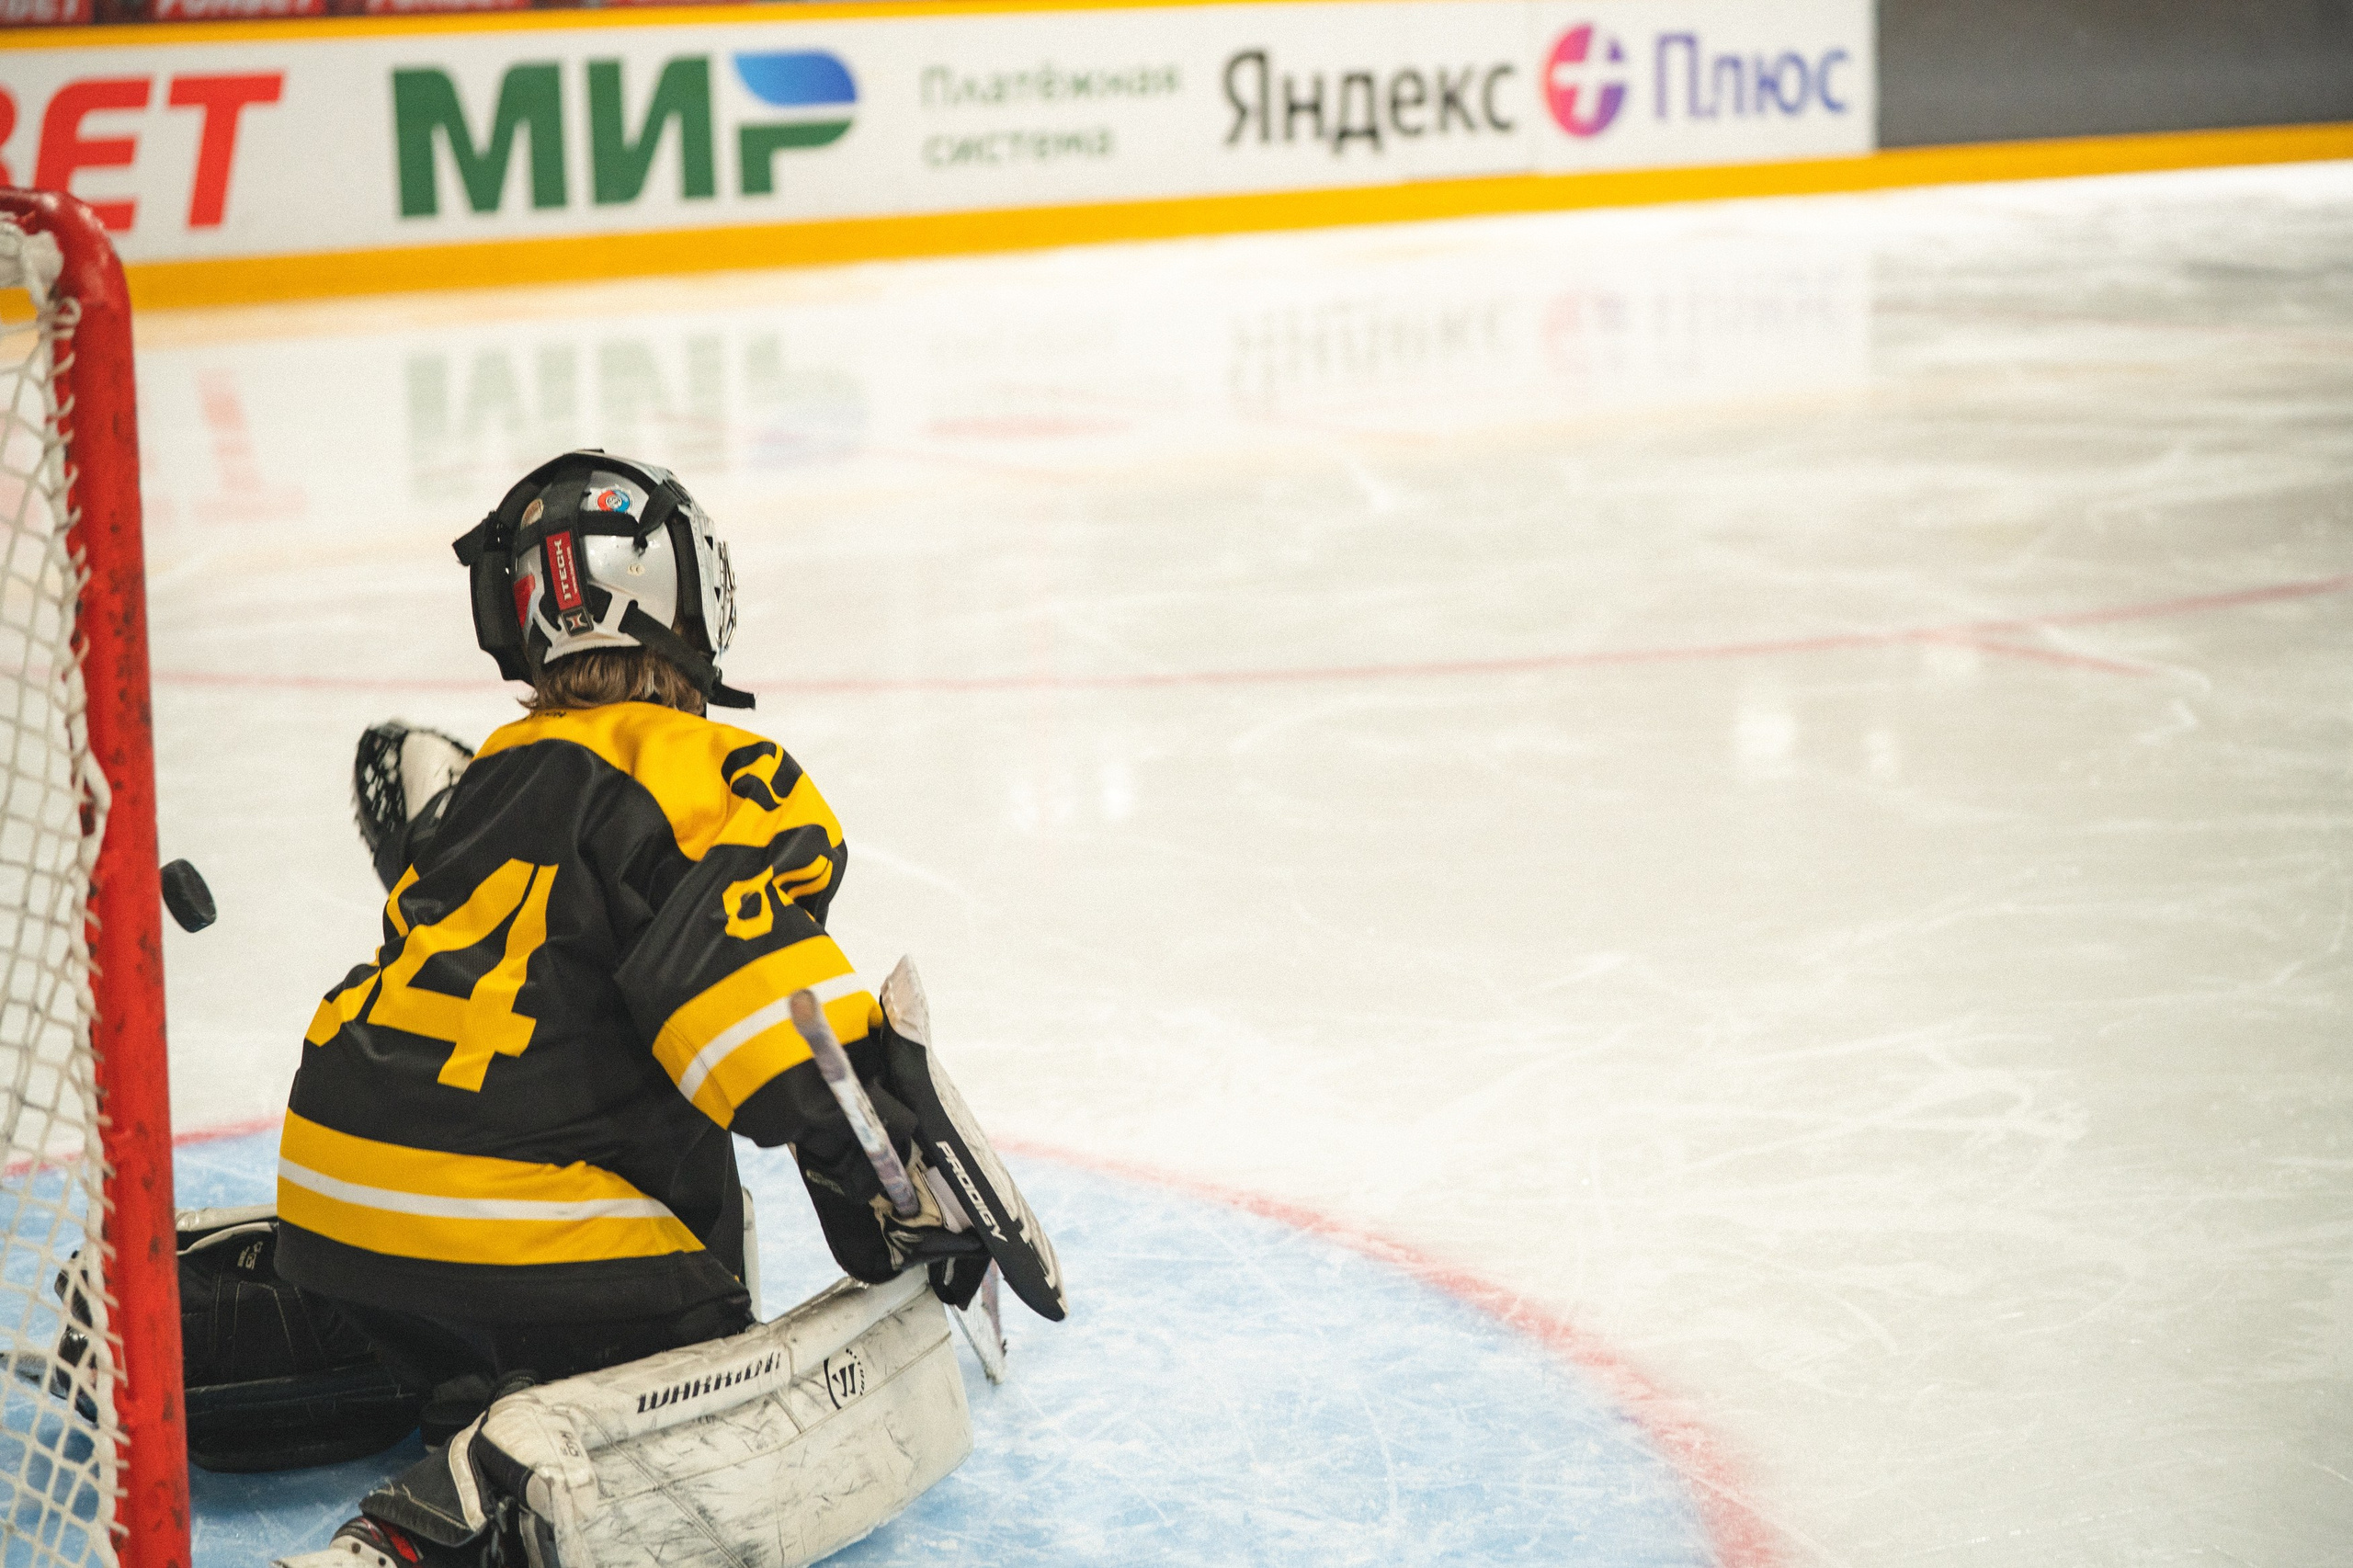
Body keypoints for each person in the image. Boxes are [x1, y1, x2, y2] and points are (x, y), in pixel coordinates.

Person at [275, 450, 985, 1566]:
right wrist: (893, 1174)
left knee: (507, 1161)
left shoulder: (488, 782)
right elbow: (756, 1020)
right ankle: (453, 1520)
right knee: (708, 1336)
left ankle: (388, 1348)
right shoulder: (708, 766)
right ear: (694, 600)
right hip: (533, 1247)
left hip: (328, 1199)